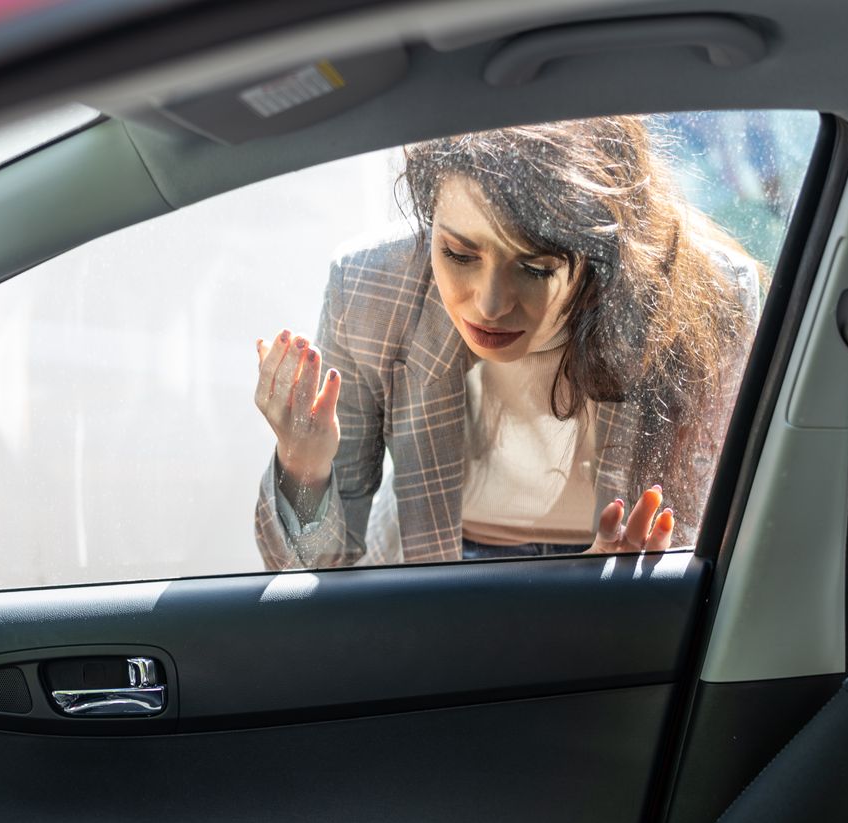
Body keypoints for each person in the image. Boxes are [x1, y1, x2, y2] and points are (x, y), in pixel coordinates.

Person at [252, 117, 762, 569]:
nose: (490, 304)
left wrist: (628, 585)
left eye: (535, 267)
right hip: (432, 575)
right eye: (458, 254)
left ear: (603, 256)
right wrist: (302, 463)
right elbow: (313, 573)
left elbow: (720, 540)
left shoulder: (708, 299)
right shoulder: (372, 288)